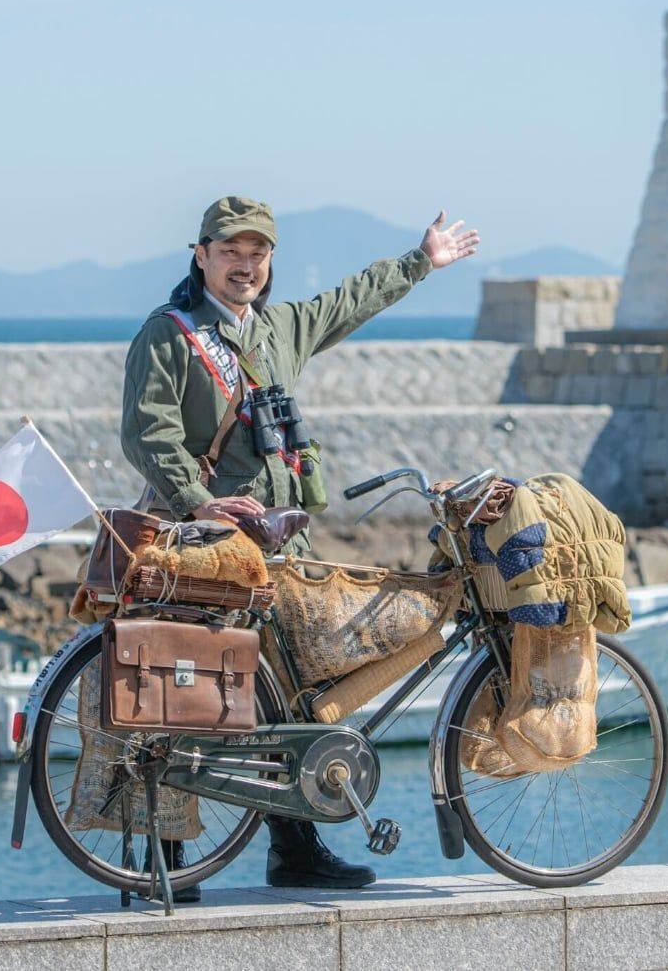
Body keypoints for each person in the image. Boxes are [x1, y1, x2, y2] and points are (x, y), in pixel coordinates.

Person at [120, 195, 480, 897]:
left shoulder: (280, 327)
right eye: (230, 252)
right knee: (190, 693)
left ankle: (294, 846)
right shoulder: (170, 334)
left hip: (284, 547)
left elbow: (351, 300)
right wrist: (200, 501)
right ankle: (169, 857)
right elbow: (146, 433)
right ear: (201, 256)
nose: (244, 265)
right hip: (207, 549)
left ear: (269, 262)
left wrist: (422, 261)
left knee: (290, 698)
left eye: (257, 253)